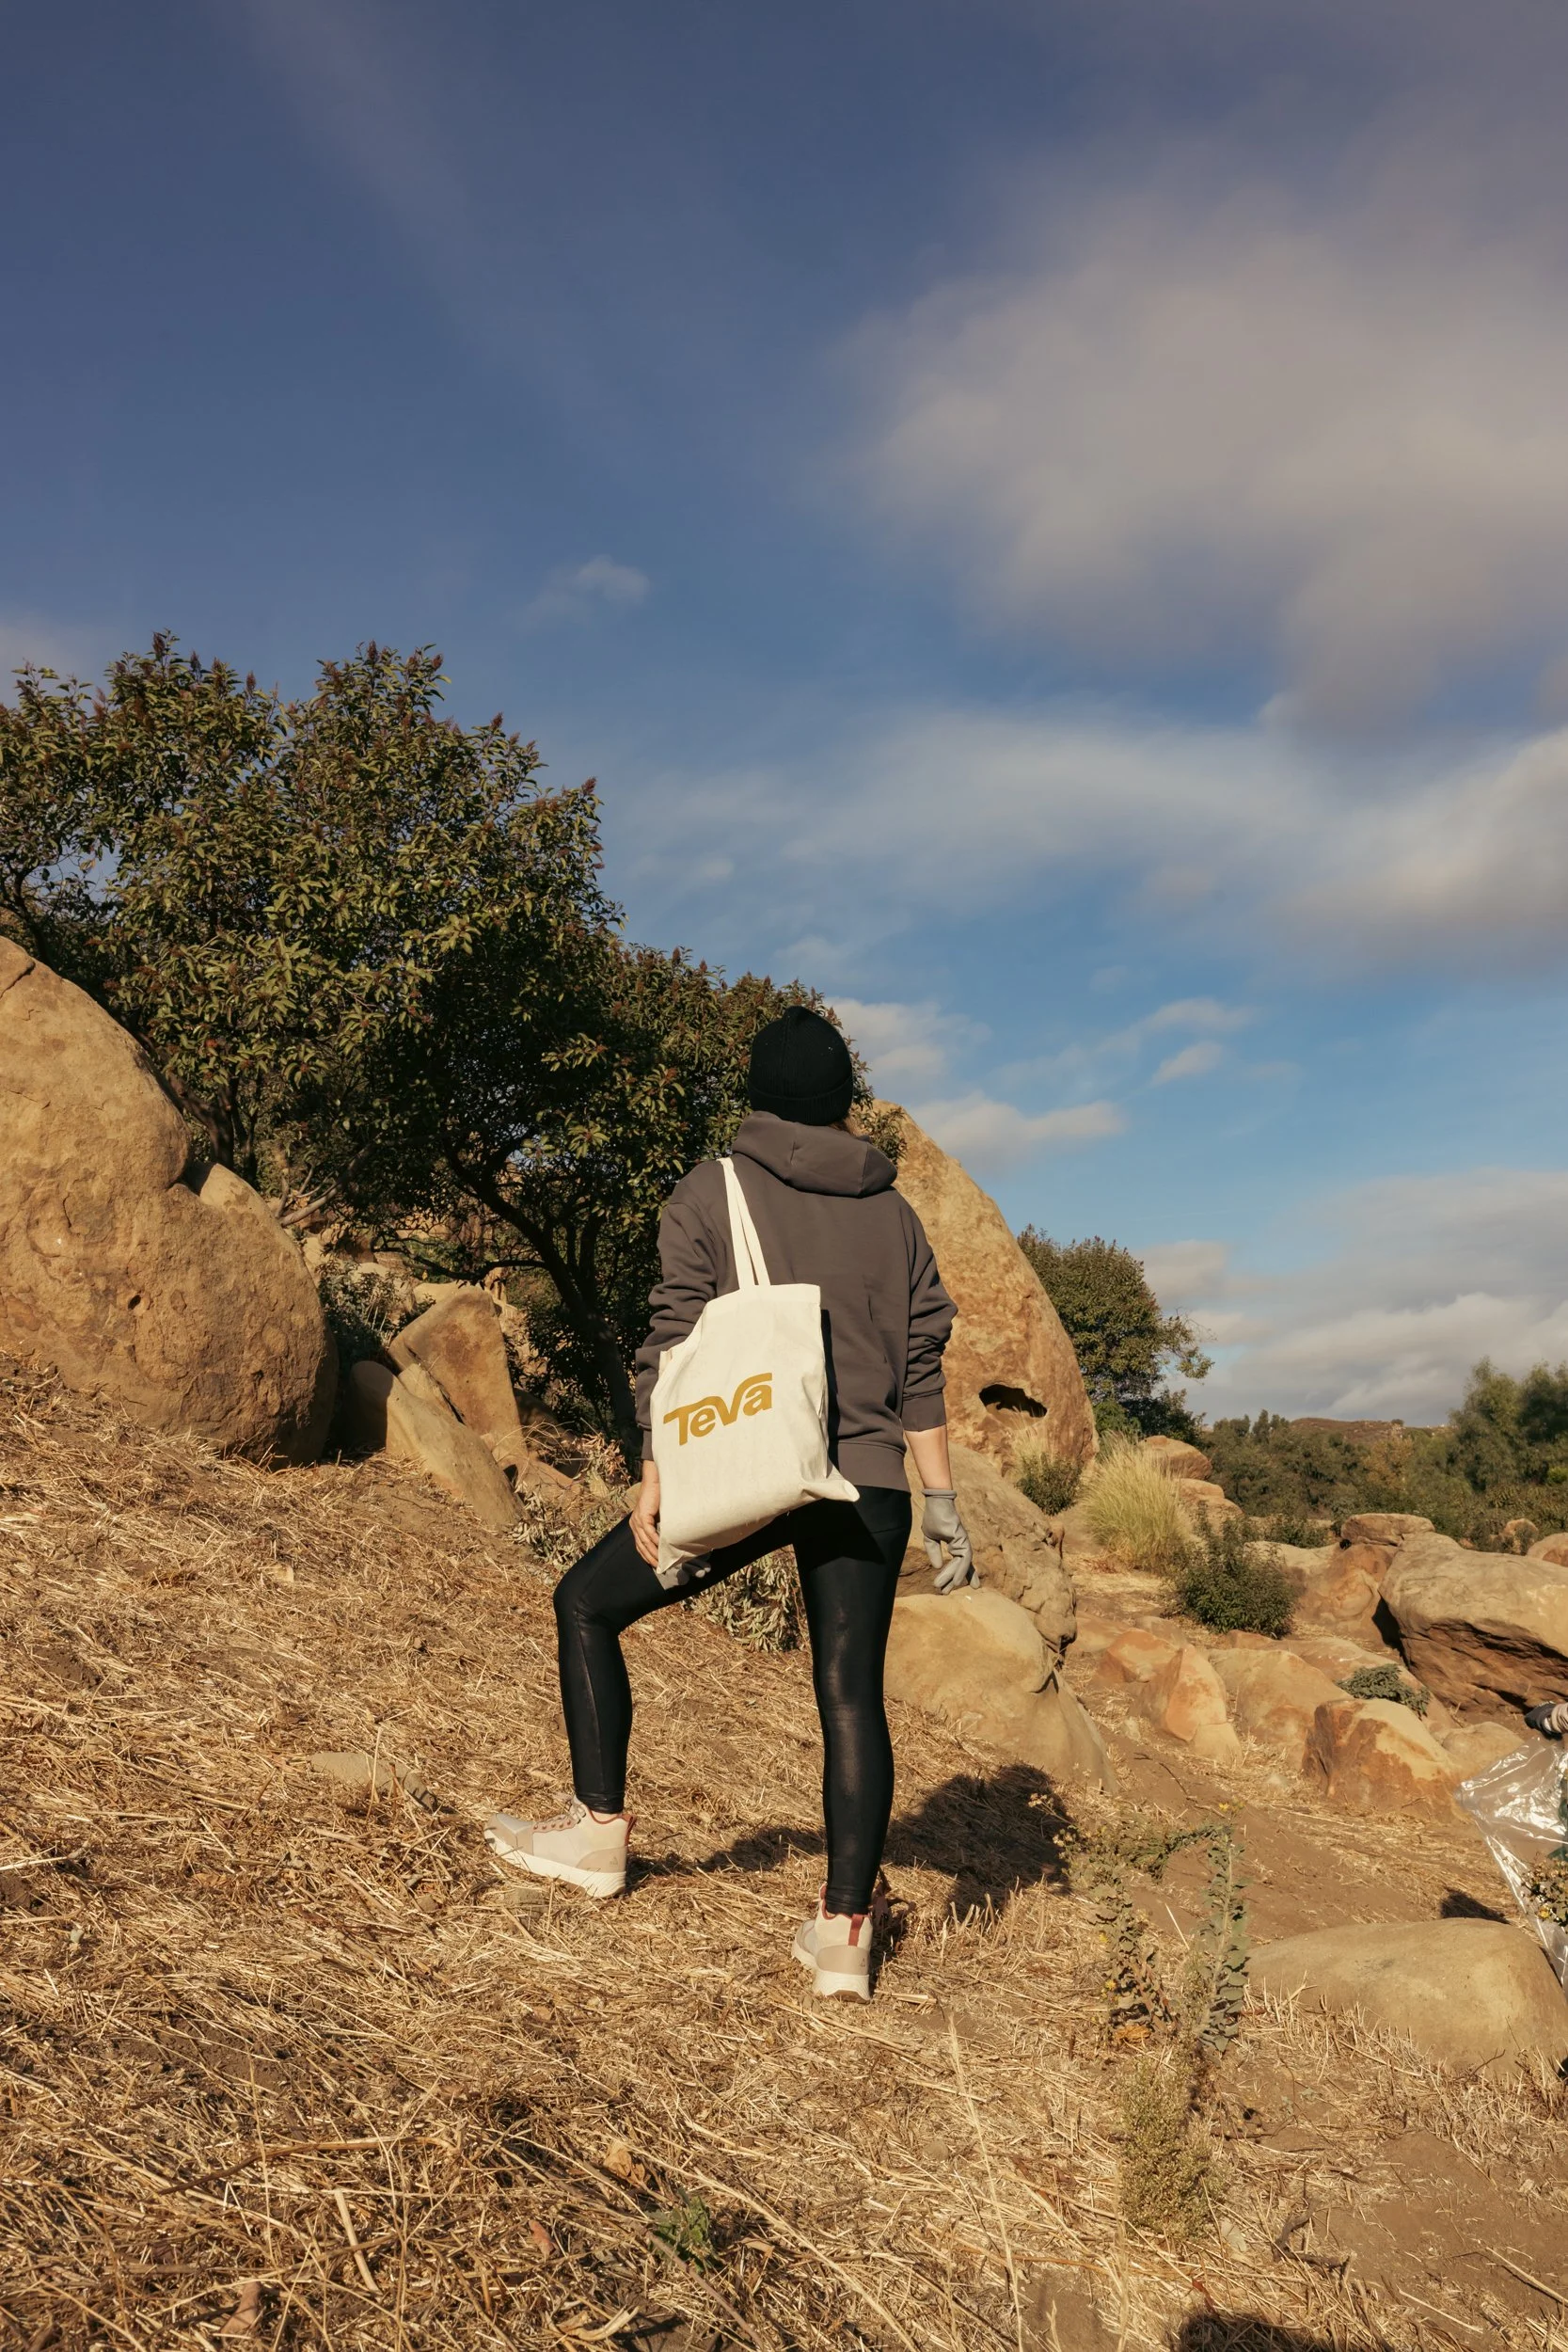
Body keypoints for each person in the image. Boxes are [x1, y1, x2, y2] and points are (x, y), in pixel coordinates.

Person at [485, 1004, 973, 2000]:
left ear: (757, 1094)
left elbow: (674, 1340)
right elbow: (918, 1369)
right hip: (870, 1480)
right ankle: (844, 1933)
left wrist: (657, 1470)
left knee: (587, 1603)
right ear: (844, 1100)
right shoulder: (897, 1213)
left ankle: (596, 1832)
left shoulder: (713, 1189)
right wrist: (942, 1502)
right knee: (849, 1695)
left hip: (751, 1466)